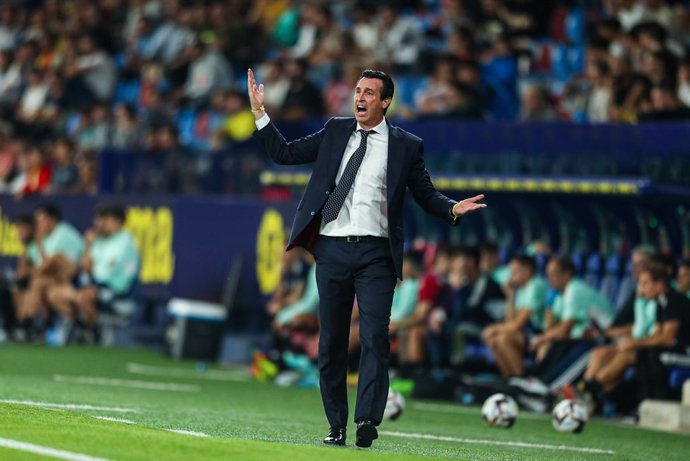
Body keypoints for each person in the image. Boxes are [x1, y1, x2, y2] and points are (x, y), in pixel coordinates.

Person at [248, 67, 486, 448]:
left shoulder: (406, 145)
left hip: (376, 252)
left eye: (369, 93)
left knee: (375, 336)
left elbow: (425, 194)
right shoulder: (335, 131)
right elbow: (285, 154)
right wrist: (260, 113)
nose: (360, 97)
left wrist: (453, 209)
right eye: (358, 90)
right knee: (331, 344)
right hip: (332, 248)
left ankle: (366, 420)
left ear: (385, 101)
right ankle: (335, 425)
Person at [483, 255, 549, 377]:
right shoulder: (521, 289)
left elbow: (517, 325)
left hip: (542, 334)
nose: (511, 276)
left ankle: (520, 379)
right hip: (529, 333)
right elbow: (510, 320)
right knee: (494, 339)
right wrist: (510, 296)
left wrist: (494, 328)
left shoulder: (536, 285)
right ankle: (509, 378)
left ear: (527, 271)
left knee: (503, 339)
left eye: (515, 271)